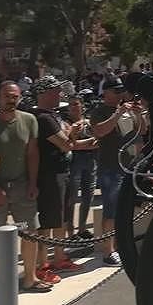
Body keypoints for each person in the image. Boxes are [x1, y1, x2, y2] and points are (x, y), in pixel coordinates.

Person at [0, 82, 50, 292]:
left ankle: (30, 278)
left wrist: (32, 182)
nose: (11, 100)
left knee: (29, 231)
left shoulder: (29, 120)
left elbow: (32, 154)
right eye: (7, 96)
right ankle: (0, 284)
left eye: (15, 96)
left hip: (22, 187)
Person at [32, 76, 79, 281]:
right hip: (49, 175)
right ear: (45, 93)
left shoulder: (51, 116)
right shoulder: (43, 118)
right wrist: (75, 132)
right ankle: (42, 265)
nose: (59, 95)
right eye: (55, 91)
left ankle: (59, 258)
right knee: (47, 221)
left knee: (60, 218)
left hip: (61, 172)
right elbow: (65, 144)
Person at [90, 78, 136, 265]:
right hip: (110, 167)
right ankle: (108, 251)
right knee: (111, 210)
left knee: (125, 209)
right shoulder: (99, 111)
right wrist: (118, 114)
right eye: (115, 91)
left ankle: (121, 245)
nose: (119, 95)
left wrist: (138, 115)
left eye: (120, 91)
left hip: (127, 165)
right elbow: (99, 131)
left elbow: (138, 132)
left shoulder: (126, 110)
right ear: (106, 93)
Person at [64, 95, 97, 240]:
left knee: (88, 196)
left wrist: (80, 144)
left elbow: (99, 141)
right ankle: (70, 232)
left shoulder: (89, 123)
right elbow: (72, 145)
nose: (73, 107)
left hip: (91, 161)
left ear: (82, 106)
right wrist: (86, 142)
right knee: (71, 198)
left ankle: (82, 228)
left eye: (76, 104)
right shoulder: (66, 124)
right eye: (70, 104)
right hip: (74, 162)